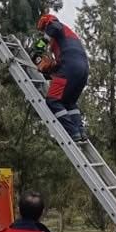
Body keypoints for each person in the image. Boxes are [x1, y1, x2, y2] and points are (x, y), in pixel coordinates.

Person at [36, 13, 89, 141]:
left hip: (70, 67)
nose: (44, 32)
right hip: (83, 70)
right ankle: (80, 131)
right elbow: (64, 61)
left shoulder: (56, 26)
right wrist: (50, 70)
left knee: (52, 100)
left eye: (44, 29)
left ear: (45, 24)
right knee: (69, 102)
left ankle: (72, 131)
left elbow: (54, 26)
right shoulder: (66, 39)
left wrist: (39, 47)